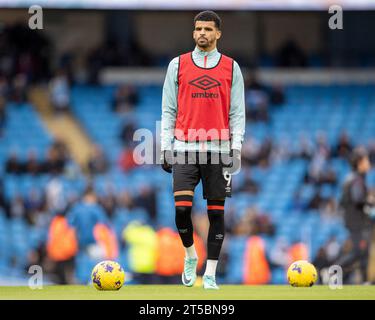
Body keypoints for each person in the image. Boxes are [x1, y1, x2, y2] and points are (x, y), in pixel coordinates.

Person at [160, 11, 245, 290]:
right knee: (182, 210)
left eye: (208, 29)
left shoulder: (231, 68)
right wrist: (165, 147)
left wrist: (236, 149)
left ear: (218, 33)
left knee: (216, 215)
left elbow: (237, 114)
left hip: (219, 150)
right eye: (198, 29)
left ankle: (209, 273)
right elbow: (169, 109)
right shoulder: (178, 65)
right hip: (185, 147)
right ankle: (189, 255)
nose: (202, 33)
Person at [336, 147, 375, 283]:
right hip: (358, 223)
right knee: (359, 252)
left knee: (364, 254)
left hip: (357, 222)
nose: (369, 163)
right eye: (366, 160)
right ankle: (334, 270)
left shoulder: (355, 179)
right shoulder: (356, 180)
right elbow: (359, 201)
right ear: (359, 162)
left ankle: (365, 283)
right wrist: (370, 206)